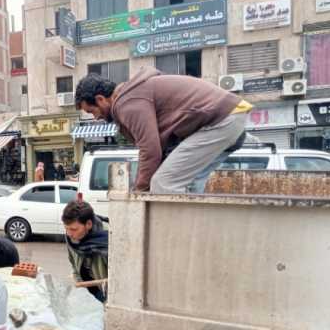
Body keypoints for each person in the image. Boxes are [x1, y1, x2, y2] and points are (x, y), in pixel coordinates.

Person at [75, 67, 251, 194]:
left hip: (220, 120)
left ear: (100, 99)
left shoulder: (126, 104)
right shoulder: (134, 95)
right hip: (229, 118)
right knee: (190, 183)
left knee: (164, 183)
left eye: (92, 111)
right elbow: (161, 149)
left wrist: (139, 192)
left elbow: (150, 151)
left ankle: (175, 241)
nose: (95, 117)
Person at [62, 200, 108, 302]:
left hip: (106, 293)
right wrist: (81, 290)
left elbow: (118, 279)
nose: (69, 233)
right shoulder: (71, 236)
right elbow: (73, 263)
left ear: (88, 224)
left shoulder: (109, 239)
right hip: (86, 290)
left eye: (74, 229)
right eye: (66, 228)